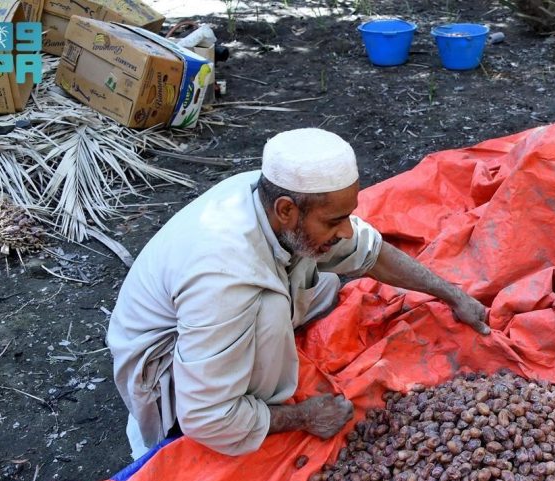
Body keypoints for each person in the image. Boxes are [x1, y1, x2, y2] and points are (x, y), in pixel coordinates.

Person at [107, 128, 489, 458]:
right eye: (334, 220)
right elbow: (205, 417)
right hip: (163, 374)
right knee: (269, 310)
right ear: (287, 210)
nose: (346, 231)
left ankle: (259, 361)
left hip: (214, 317)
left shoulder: (272, 202)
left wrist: (452, 295)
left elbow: (368, 252)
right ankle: (252, 404)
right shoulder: (223, 277)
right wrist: (304, 417)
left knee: (321, 281)